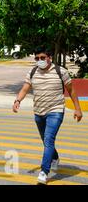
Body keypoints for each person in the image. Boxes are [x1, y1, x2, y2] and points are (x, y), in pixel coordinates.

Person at [13, 46, 83, 185]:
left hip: (55, 111)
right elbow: (25, 88)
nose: (40, 60)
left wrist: (77, 109)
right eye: (37, 58)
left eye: (42, 58)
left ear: (49, 58)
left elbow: (71, 90)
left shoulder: (60, 71)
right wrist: (17, 100)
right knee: (46, 141)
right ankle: (55, 158)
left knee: (48, 139)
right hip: (38, 112)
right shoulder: (33, 72)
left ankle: (44, 172)